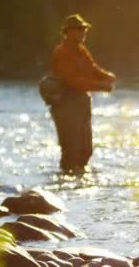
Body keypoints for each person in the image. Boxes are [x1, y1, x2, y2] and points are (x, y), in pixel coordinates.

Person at [49, 14, 116, 171]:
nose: (83, 32)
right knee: (70, 151)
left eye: (84, 29)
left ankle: (78, 183)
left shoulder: (81, 50)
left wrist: (107, 76)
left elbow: (92, 69)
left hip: (82, 103)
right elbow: (73, 80)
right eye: (80, 29)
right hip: (65, 105)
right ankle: (67, 183)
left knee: (86, 150)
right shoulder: (62, 53)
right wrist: (102, 86)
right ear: (68, 32)